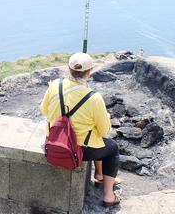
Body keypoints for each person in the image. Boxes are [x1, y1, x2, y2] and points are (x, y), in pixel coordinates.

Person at [39, 53, 121, 207]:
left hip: (54, 142)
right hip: (81, 150)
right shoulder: (94, 98)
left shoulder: (55, 85)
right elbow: (104, 130)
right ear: (89, 72)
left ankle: (98, 174)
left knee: (97, 137)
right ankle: (109, 195)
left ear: (69, 69)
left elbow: (44, 110)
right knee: (112, 147)